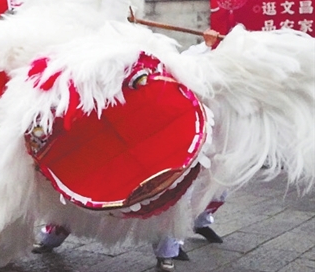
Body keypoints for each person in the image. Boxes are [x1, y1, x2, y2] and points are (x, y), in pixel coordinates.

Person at [33, 29, 226, 272]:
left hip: (150, 138)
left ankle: (167, 252)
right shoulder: (88, 63)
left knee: (170, 195)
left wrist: (207, 48)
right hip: (102, 139)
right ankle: (51, 237)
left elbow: (188, 74)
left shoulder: (150, 65)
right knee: (77, 192)